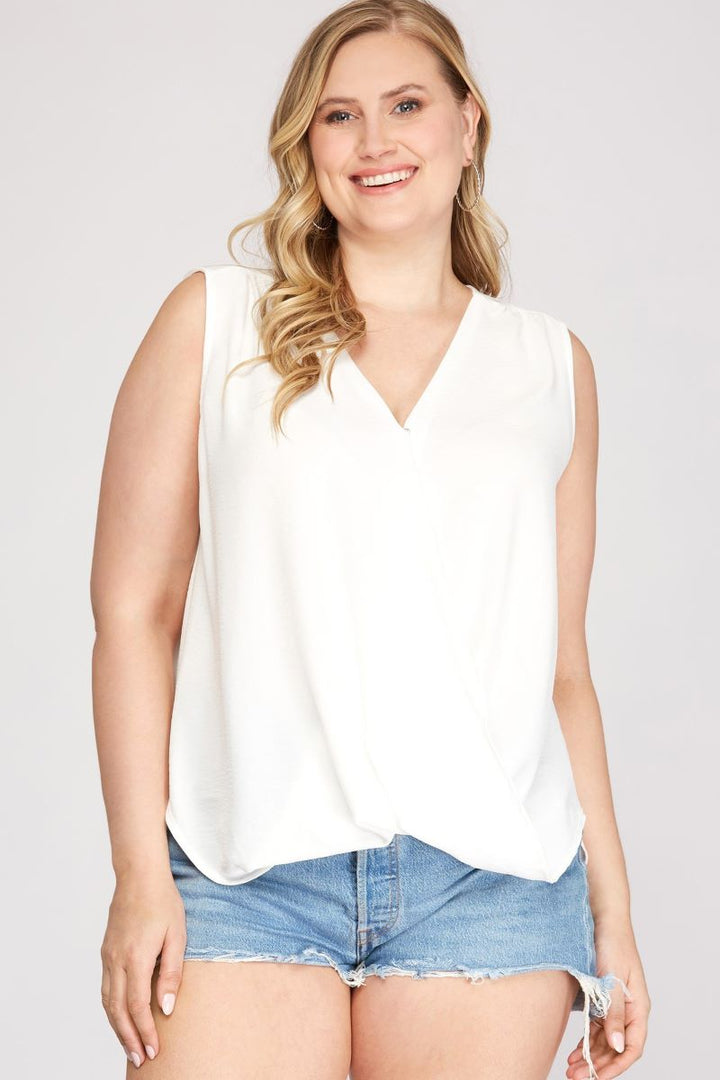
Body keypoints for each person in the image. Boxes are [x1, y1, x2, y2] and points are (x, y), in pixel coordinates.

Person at [90, 1, 651, 1077]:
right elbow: (133, 613)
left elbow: (562, 669)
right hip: (246, 873)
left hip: (491, 887)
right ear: (308, 143)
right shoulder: (216, 325)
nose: (374, 140)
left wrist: (613, 916)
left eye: (406, 105)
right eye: (339, 115)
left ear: (467, 124)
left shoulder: (550, 367)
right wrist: (137, 874)